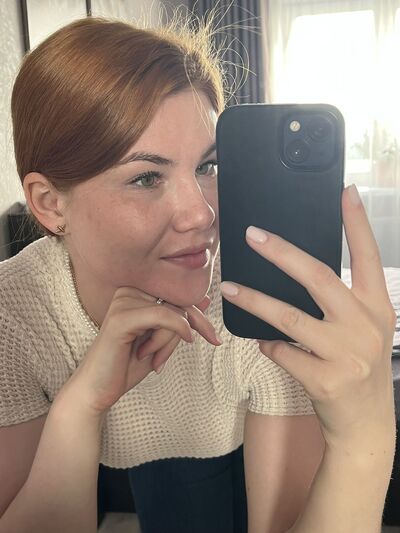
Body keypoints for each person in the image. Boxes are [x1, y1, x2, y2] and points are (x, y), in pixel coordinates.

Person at [0, 13, 396, 533]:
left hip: (228, 429)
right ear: (50, 204)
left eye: (208, 167)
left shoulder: (261, 302)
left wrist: (363, 439)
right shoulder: (14, 318)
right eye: (146, 177)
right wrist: (79, 408)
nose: (203, 215)